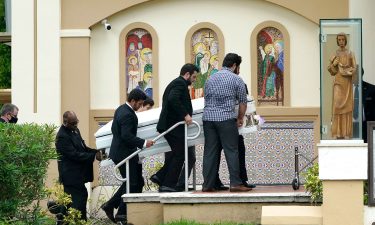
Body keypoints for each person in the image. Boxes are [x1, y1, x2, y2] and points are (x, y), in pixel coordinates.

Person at [101, 89, 154, 224]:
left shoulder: (121, 109)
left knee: (136, 182)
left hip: (122, 152)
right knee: (132, 182)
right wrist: (143, 142)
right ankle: (120, 213)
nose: (140, 106)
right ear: (133, 101)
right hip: (124, 153)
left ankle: (114, 207)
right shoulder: (128, 114)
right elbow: (126, 135)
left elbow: (115, 130)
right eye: (139, 103)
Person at [202, 53, 252, 192]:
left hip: (208, 119)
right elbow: (243, 102)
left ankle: (207, 185)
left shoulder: (210, 78)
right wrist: (240, 118)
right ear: (234, 65)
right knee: (232, 151)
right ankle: (235, 183)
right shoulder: (236, 79)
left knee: (210, 152)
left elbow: (206, 98)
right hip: (226, 119)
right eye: (238, 67)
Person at [153, 63, 198, 192]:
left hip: (171, 125)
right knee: (180, 154)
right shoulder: (180, 84)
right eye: (194, 77)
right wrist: (186, 115)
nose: (194, 80)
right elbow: (173, 99)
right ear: (187, 74)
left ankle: (160, 177)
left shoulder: (177, 83)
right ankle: (167, 184)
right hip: (172, 125)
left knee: (176, 153)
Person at [55, 111, 103, 221]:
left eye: (76, 122)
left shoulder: (75, 130)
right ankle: (77, 221)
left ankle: (62, 219)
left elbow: (83, 148)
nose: (76, 125)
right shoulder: (62, 136)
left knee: (71, 201)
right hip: (70, 175)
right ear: (65, 122)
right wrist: (93, 156)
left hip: (78, 175)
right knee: (79, 198)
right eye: (73, 123)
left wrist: (96, 151)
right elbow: (74, 155)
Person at [327, 33, 357, 139]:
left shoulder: (350, 53)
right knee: (337, 105)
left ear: (345, 40)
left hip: (347, 82)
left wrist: (347, 72)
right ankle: (336, 132)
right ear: (337, 41)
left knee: (347, 107)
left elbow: (354, 68)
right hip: (338, 82)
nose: (341, 41)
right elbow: (331, 70)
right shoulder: (335, 53)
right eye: (339, 40)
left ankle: (346, 133)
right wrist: (334, 64)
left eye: (343, 39)